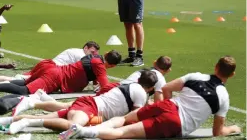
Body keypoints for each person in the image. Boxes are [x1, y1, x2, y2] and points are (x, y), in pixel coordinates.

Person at [60, 56, 241, 139]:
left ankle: (82, 128)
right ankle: (83, 132)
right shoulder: (223, 97)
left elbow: (167, 88)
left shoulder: (195, 76)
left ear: (215, 66)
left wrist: (162, 107)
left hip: (167, 106)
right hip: (176, 122)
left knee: (123, 120)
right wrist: (233, 129)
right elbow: (218, 132)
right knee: (124, 134)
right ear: (231, 75)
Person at [0, 70, 158, 134]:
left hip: (90, 105)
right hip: (91, 107)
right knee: (73, 126)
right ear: (150, 88)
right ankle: (27, 122)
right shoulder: (141, 93)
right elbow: (134, 117)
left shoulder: (132, 85)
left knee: (54, 119)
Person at [10, 55, 172, 117]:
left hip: (118, 90)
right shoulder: (159, 79)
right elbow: (157, 103)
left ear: (154, 63)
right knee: (75, 108)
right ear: (168, 70)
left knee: (75, 106)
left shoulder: (147, 72)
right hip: (119, 94)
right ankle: (33, 103)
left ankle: (39, 100)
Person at [0, 51, 121, 95]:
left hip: (51, 68)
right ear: (112, 66)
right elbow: (105, 86)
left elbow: (91, 76)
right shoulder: (100, 66)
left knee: (24, 82)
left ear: (106, 52)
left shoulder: (94, 57)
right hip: (55, 76)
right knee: (25, 90)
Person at [0, 41, 100, 83]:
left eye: (95, 53)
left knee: (21, 78)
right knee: (21, 80)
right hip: (52, 69)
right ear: (85, 48)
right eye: (92, 52)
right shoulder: (80, 55)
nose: (93, 55)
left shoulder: (76, 51)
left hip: (49, 65)